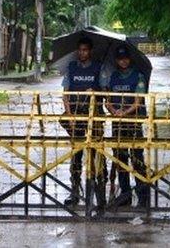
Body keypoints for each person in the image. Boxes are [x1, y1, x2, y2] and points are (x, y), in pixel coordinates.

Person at [60, 36, 106, 210]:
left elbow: (105, 91)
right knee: (76, 155)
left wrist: (95, 90)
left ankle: (99, 193)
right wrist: (70, 116)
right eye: (80, 50)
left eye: (85, 50)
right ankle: (75, 192)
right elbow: (65, 93)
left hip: (95, 118)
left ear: (90, 51)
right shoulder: (71, 68)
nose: (82, 53)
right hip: (76, 117)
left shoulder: (98, 68)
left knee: (98, 155)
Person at [104, 45, 150, 210]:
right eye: (120, 58)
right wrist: (113, 110)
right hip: (118, 123)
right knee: (120, 158)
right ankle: (125, 194)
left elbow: (138, 101)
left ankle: (143, 195)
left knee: (137, 158)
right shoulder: (113, 77)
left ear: (129, 59)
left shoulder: (138, 76)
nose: (123, 61)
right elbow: (107, 99)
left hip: (134, 122)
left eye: (125, 58)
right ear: (116, 60)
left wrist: (124, 112)